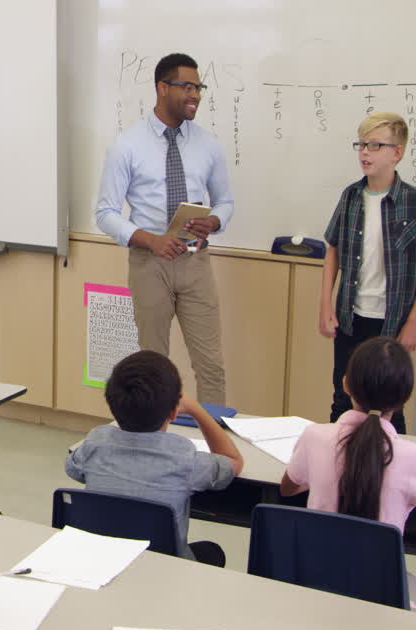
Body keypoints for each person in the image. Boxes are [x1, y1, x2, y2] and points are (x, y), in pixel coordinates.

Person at [281, 337, 416, 611]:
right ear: (404, 398)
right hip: (381, 601)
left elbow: (288, 488)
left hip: (314, 589)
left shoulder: (315, 437)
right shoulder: (410, 456)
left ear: (346, 383)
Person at [95, 52, 234, 405]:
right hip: (149, 263)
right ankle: (156, 445)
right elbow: (106, 213)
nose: (196, 95)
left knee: (211, 365)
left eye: (198, 87)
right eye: (187, 86)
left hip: (195, 263)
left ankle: (214, 449)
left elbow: (225, 202)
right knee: (153, 368)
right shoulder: (127, 145)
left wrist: (214, 221)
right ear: (162, 88)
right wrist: (151, 241)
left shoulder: (207, 143)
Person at [319, 111, 416, 434]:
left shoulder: (415, 203)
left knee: (390, 407)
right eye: (361, 144)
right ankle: (340, 470)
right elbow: (332, 249)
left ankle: (392, 475)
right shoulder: (350, 197)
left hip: (393, 323)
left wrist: (414, 320)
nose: (364, 152)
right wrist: (326, 304)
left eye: (375, 145)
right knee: (342, 402)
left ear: (397, 152)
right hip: (351, 318)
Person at [65, 350, 243, 566]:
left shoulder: (95, 443)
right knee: (212, 552)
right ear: (174, 411)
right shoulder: (185, 459)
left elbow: (73, 468)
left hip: (100, 562)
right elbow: (233, 461)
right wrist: (197, 409)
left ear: (113, 403)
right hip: (164, 567)